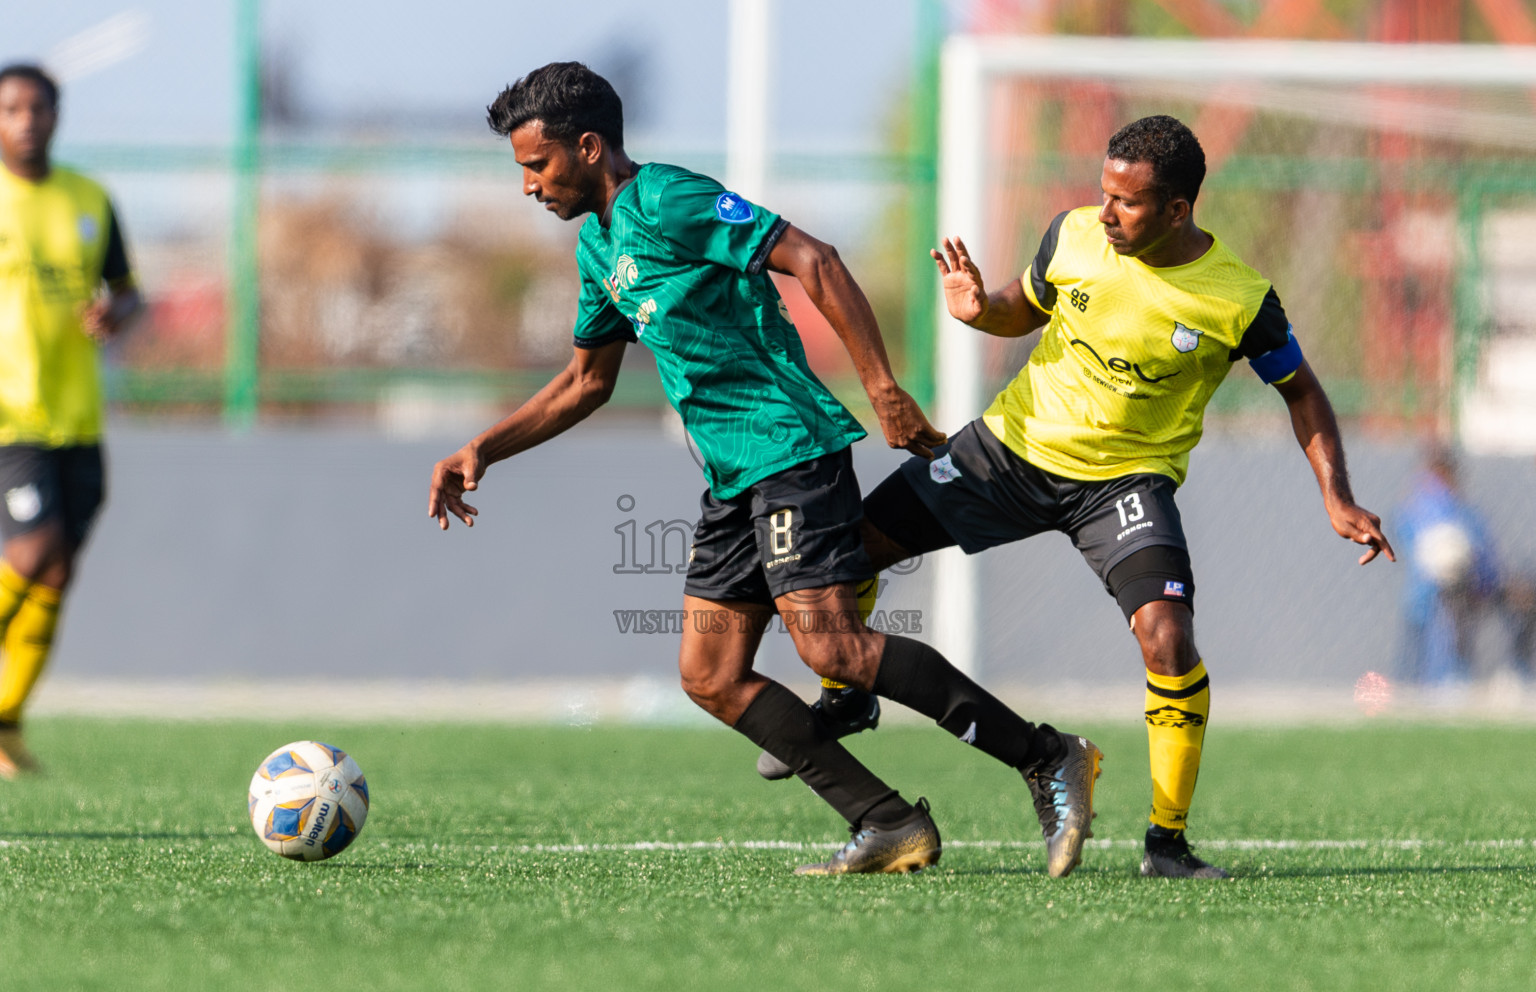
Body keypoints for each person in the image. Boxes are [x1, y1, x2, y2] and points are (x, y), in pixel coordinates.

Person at [427, 62, 1103, 877]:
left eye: (537, 166)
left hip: (790, 447)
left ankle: (1045, 756)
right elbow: (586, 383)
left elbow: (815, 259)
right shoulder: (599, 246)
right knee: (709, 673)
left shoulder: (667, 200)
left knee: (835, 649)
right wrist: (483, 449)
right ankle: (887, 823)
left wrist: (884, 389)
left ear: (589, 146)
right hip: (732, 479)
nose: (529, 186)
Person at [762, 115, 1395, 879]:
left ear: (1177, 210)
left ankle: (1166, 844)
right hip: (1008, 451)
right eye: (1103, 193)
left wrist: (1337, 495)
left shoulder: (1239, 300)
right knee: (851, 550)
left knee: (1167, 638)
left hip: (1124, 485)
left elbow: (1304, 394)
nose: (1105, 212)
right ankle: (847, 696)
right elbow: (1020, 307)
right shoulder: (1072, 236)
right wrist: (976, 308)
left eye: (1126, 202)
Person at [0, 63, 142, 777]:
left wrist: (116, 311)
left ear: (57, 116)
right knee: (34, 547)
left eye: (39, 107)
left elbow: (130, 293)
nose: (27, 120)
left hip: (77, 413)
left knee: (55, 571)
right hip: (8, 412)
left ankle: (5, 725)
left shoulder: (88, 198)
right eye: (12, 108)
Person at [1395, 445, 1497, 685]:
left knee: (1452, 643)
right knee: (1416, 647)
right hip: (1424, 592)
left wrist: (1484, 581)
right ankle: (1411, 687)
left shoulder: (1462, 510)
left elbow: (1481, 549)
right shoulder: (1417, 506)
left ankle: (1451, 683)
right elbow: (1409, 536)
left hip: (1457, 591)